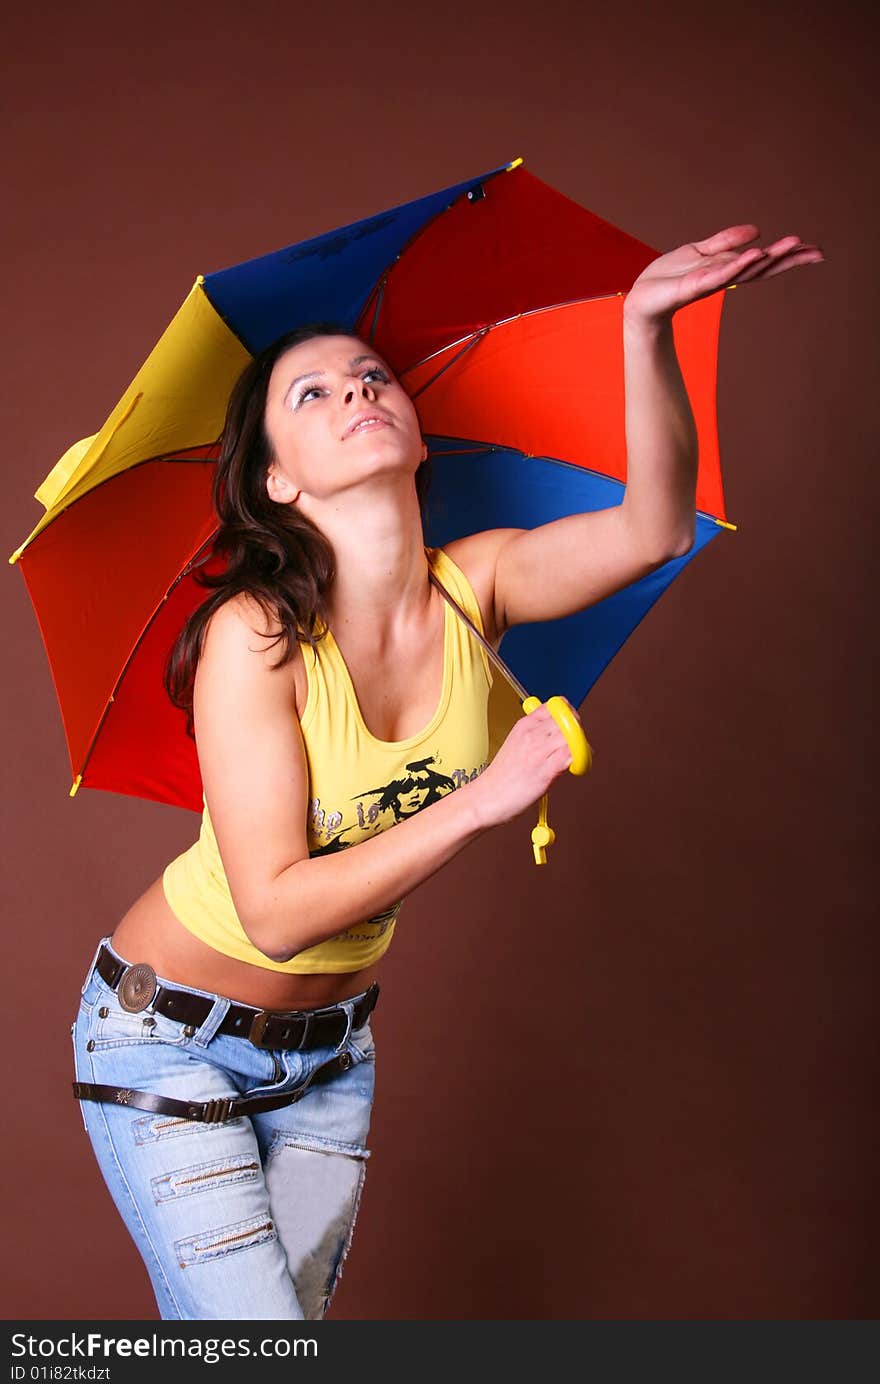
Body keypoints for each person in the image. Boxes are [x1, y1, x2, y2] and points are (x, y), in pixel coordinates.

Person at [70, 225, 823, 1321]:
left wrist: (643, 326)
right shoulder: (256, 635)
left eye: (372, 379)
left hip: (330, 1065)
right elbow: (276, 913)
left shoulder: (482, 584)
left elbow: (654, 531)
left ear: (419, 435)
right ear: (275, 478)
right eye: (313, 394)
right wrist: (482, 801)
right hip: (170, 1041)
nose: (357, 393)